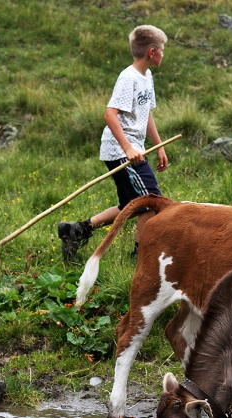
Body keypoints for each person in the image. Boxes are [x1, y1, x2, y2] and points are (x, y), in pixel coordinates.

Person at [58, 25, 169, 262]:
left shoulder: (146, 77)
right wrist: (128, 148)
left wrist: (159, 145)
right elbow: (110, 114)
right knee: (150, 202)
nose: (163, 54)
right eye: (162, 50)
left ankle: (75, 231)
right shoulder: (128, 77)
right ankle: (141, 257)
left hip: (133, 149)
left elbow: (145, 113)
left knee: (131, 204)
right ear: (151, 51)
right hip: (121, 150)